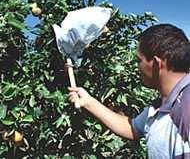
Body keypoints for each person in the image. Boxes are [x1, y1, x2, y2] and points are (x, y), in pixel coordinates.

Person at [68, 24, 190, 158]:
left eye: (139, 60)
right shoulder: (160, 106)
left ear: (156, 63)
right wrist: (88, 102)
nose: (137, 67)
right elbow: (132, 128)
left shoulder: (186, 108)